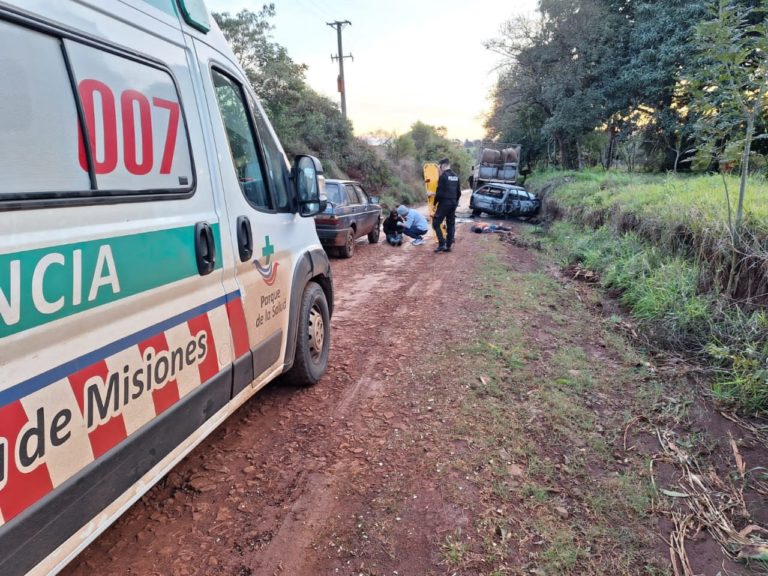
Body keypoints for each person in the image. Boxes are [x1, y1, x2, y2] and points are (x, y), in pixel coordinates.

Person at [433, 158, 461, 253]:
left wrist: (434, 203)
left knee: (436, 223)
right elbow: (459, 192)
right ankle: (448, 245)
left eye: (439, 167)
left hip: (444, 204)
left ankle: (441, 244)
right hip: (453, 204)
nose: (439, 169)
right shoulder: (456, 176)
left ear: (442, 165)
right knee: (451, 223)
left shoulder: (443, 176)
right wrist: (455, 202)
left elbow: (439, 193)